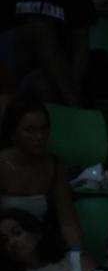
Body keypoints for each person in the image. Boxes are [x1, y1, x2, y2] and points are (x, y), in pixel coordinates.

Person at [0, 95, 82, 255]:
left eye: (44, 128)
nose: (39, 136)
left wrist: (78, 255)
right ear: (13, 133)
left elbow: (68, 223)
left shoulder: (54, 165)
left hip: (41, 247)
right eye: (30, 130)